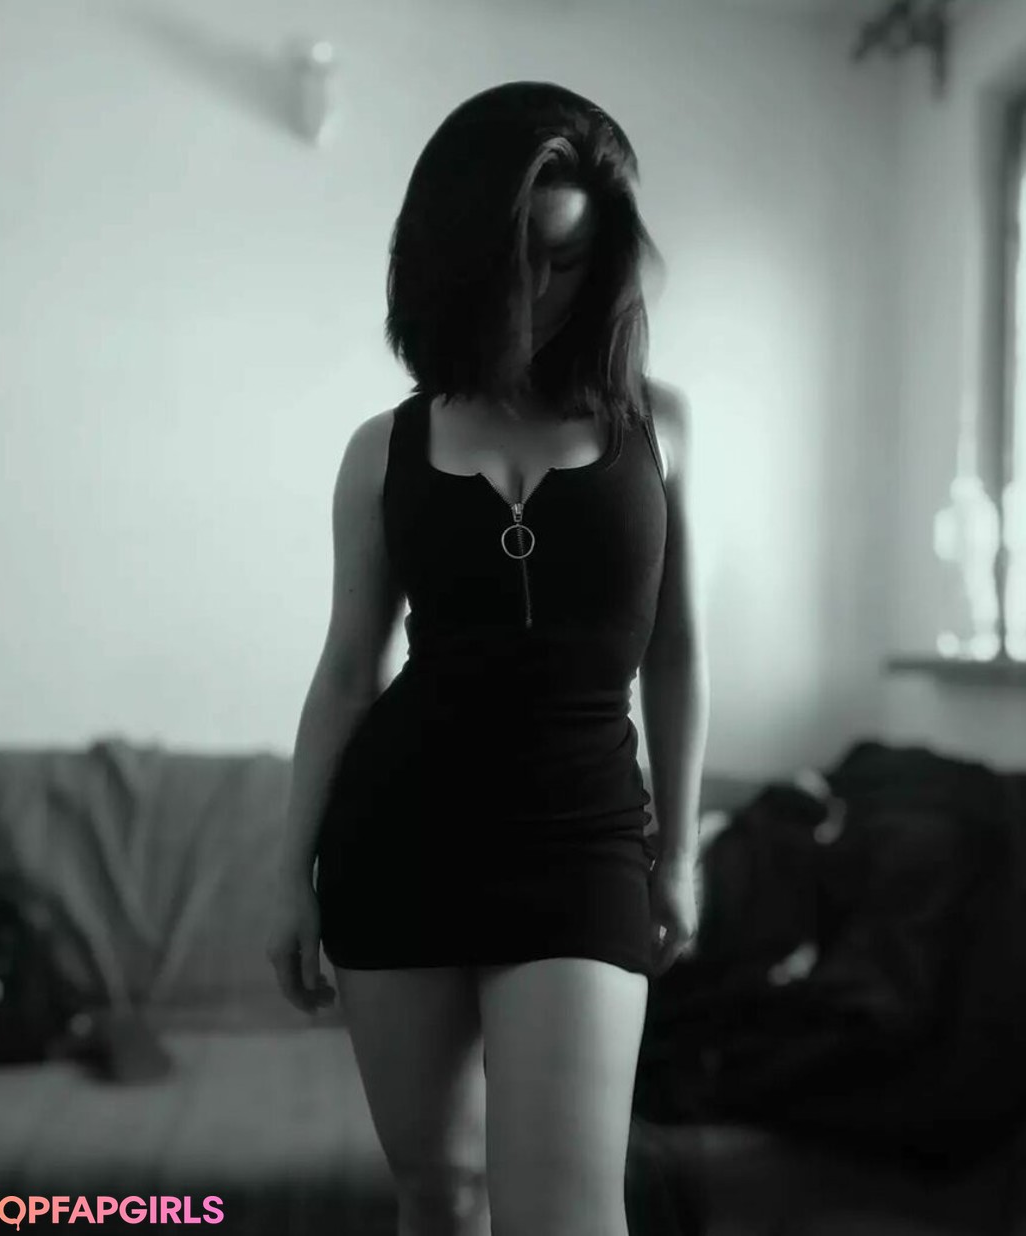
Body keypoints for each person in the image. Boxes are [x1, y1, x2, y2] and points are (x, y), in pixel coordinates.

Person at [266, 80, 709, 1236]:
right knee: (442, 1197)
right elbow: (348, 671)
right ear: (455, 258)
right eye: (519, 260)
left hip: (583, 843)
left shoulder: (658, 427)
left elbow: (675, 653)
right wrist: (287, 872)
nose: (541, 292)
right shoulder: (383, 450)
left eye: (570, 261)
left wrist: (680, 853)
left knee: (569, 1215)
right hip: (397, 841)